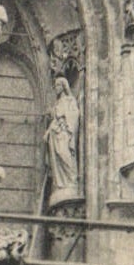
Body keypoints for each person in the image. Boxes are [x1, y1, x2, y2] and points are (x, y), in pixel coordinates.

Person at [45, 76, 82, 207]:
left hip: (64, 132)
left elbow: (75, 114)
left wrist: (66, 124)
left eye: (58, 85)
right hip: (55, 132)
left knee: (63, 153)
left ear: (63, 86)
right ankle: (60, 184)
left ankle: (71, 180)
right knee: (57, 157)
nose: (56, 88)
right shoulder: (57, 103)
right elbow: (55, 118)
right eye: (55, 86)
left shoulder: (69, 100)